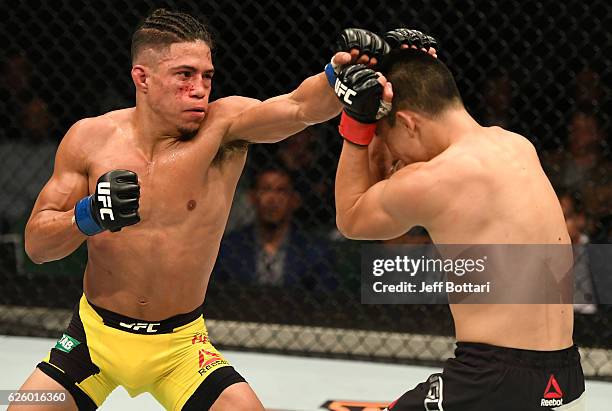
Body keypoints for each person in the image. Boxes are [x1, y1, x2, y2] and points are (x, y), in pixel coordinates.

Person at [10, 9, 389, 411]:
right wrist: (87, 216)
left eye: (206, 76)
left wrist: (336, 76)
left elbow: (299, 107)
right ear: (143, 78)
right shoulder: (89, 139)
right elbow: (37, 245)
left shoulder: (224, 127)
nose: (199, 89)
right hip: (91, 341)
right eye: (184, 75)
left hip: (181, 349)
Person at [332, 33, 585, 410]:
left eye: (386, 138)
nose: (392, 155)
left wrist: (356, 124)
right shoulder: (517, 145)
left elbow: (351, 218)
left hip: (495, 381)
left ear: (408, 124)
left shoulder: (434, 179)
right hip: (565, 377)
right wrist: (416, 70)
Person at [215, 166, 335, 290]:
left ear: (294, 200)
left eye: (281, 191)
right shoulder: (229, 247)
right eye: (265, 190)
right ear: (252, 197)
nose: (272, 199)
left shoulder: (315, 250)